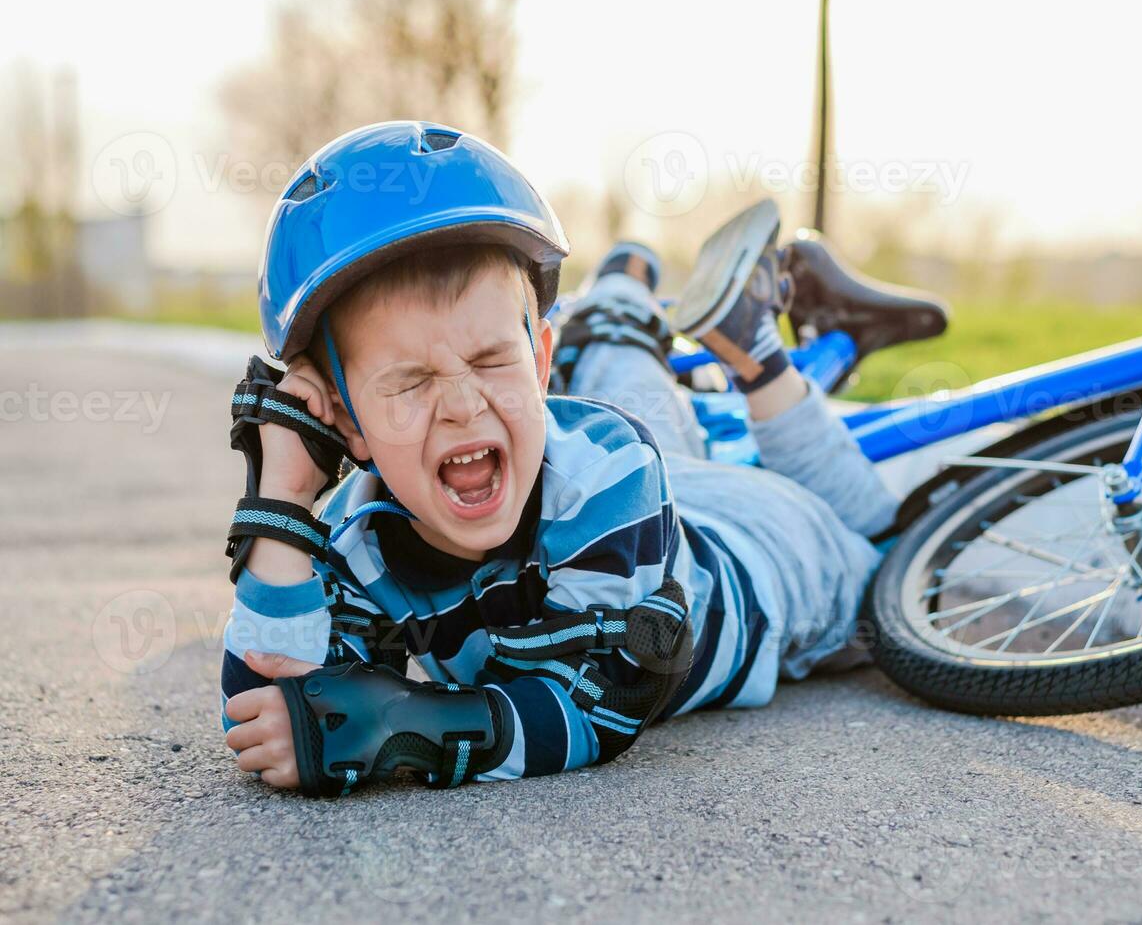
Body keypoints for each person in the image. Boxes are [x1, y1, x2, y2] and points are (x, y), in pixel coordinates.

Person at [218, 121, 942, 796]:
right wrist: (280, 504)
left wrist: (404, 724)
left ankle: (749, 352)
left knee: (896, 555)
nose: (463, 406)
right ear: (344, 421)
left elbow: (600, 702)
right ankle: (633, 295)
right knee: (626, 416)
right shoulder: (357, 540)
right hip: (654, 504)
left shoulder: (610, 473)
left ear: (540, 364)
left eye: (491, 359)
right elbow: (271, 705)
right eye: (408, 382)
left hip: (771, 561)